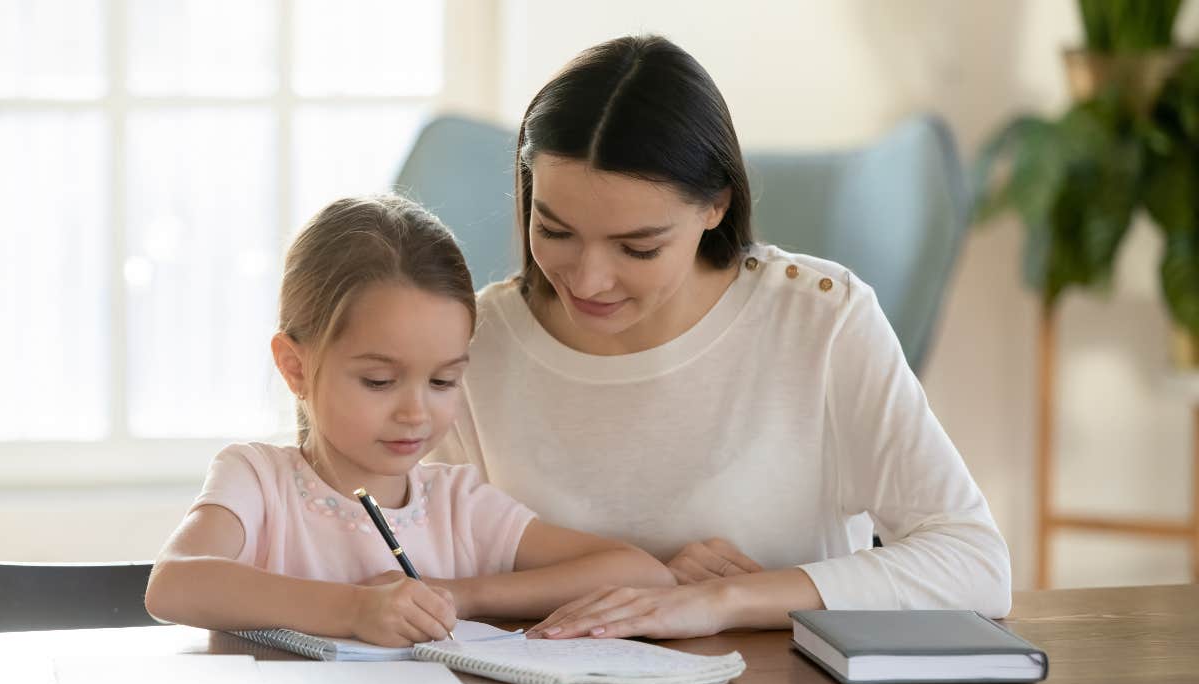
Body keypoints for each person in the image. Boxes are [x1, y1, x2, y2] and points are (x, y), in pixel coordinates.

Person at [426, 35, 1012, 640]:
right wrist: (651, 581)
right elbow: (406, 561)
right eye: (554, 231)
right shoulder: (471, 345)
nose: (588, 279)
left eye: (638, 247)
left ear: (715, 206)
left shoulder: (820, 322)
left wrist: (726, 600)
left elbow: (976, 564)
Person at [145, 195, 674, 647]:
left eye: (443, 382)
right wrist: (354, 610)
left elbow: (642, 572)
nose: (416, 413)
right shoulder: (257, 481)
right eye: (378, 381)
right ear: (295, 367)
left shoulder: (457, 504)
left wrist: (458, 594)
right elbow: (173, 584)